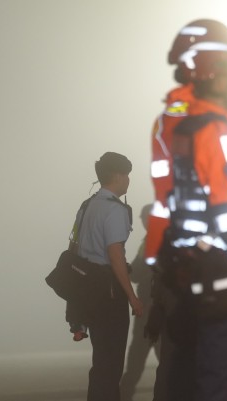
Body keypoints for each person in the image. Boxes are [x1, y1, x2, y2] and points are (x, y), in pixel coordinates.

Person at [149, 20, 227, 401]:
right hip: (223, 282)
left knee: (185, 382)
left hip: (182, 274)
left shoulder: (170, 127)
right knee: (224, 386)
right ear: (217, 78)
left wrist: (158, 263)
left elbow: (180, 193)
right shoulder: (220, 132)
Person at [72, 152, 142, 401]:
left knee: (100, 363)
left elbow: (76, 249)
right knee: (111, 366)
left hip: (87, 290)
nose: (128, 182)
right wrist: (133, 297)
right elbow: (115, 256)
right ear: (119, 176)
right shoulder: (115, 210)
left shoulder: (86, 206)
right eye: (128, 176)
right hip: (109, 295)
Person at [120, 204, 157, 401]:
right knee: (165, 364)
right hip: (154, 311)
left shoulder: (153, 241)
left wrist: (120, 267)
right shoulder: (150, 240)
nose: (143, 222)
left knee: (136, 362)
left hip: (151, 312)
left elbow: (137, 272)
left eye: (145, 218)